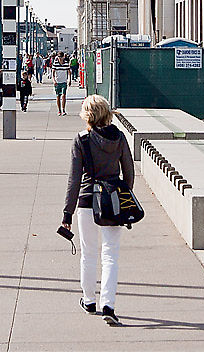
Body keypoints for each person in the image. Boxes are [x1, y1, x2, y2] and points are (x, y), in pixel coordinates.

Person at [62, 94, 134, 326]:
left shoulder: (81, 139)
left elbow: (74, 180)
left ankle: (89, 299)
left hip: (86, 201)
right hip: (112, 201)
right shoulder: (120, 138)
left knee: (89, 253)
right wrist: (122, 198)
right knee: (110, 255)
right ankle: (109, 305)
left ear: (87, 115)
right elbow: (129, 172)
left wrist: (67, 213)